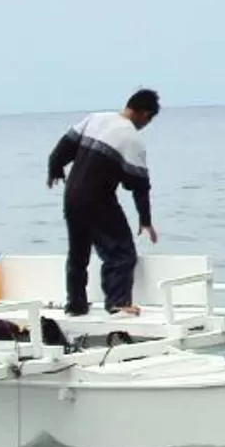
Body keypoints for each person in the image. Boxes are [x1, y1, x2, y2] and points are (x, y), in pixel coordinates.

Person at [47, 89, 160, 317]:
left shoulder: (96, 118)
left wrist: (55, 168)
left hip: (72, 197)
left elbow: (62, 148)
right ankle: (118, 303)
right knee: (121, 253)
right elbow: (139, 186)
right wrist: (145, 221)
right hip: (98, 200)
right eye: (148, 120)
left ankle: (76, 305)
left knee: (78, 253)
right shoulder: (132, 139)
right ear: (145, 114)